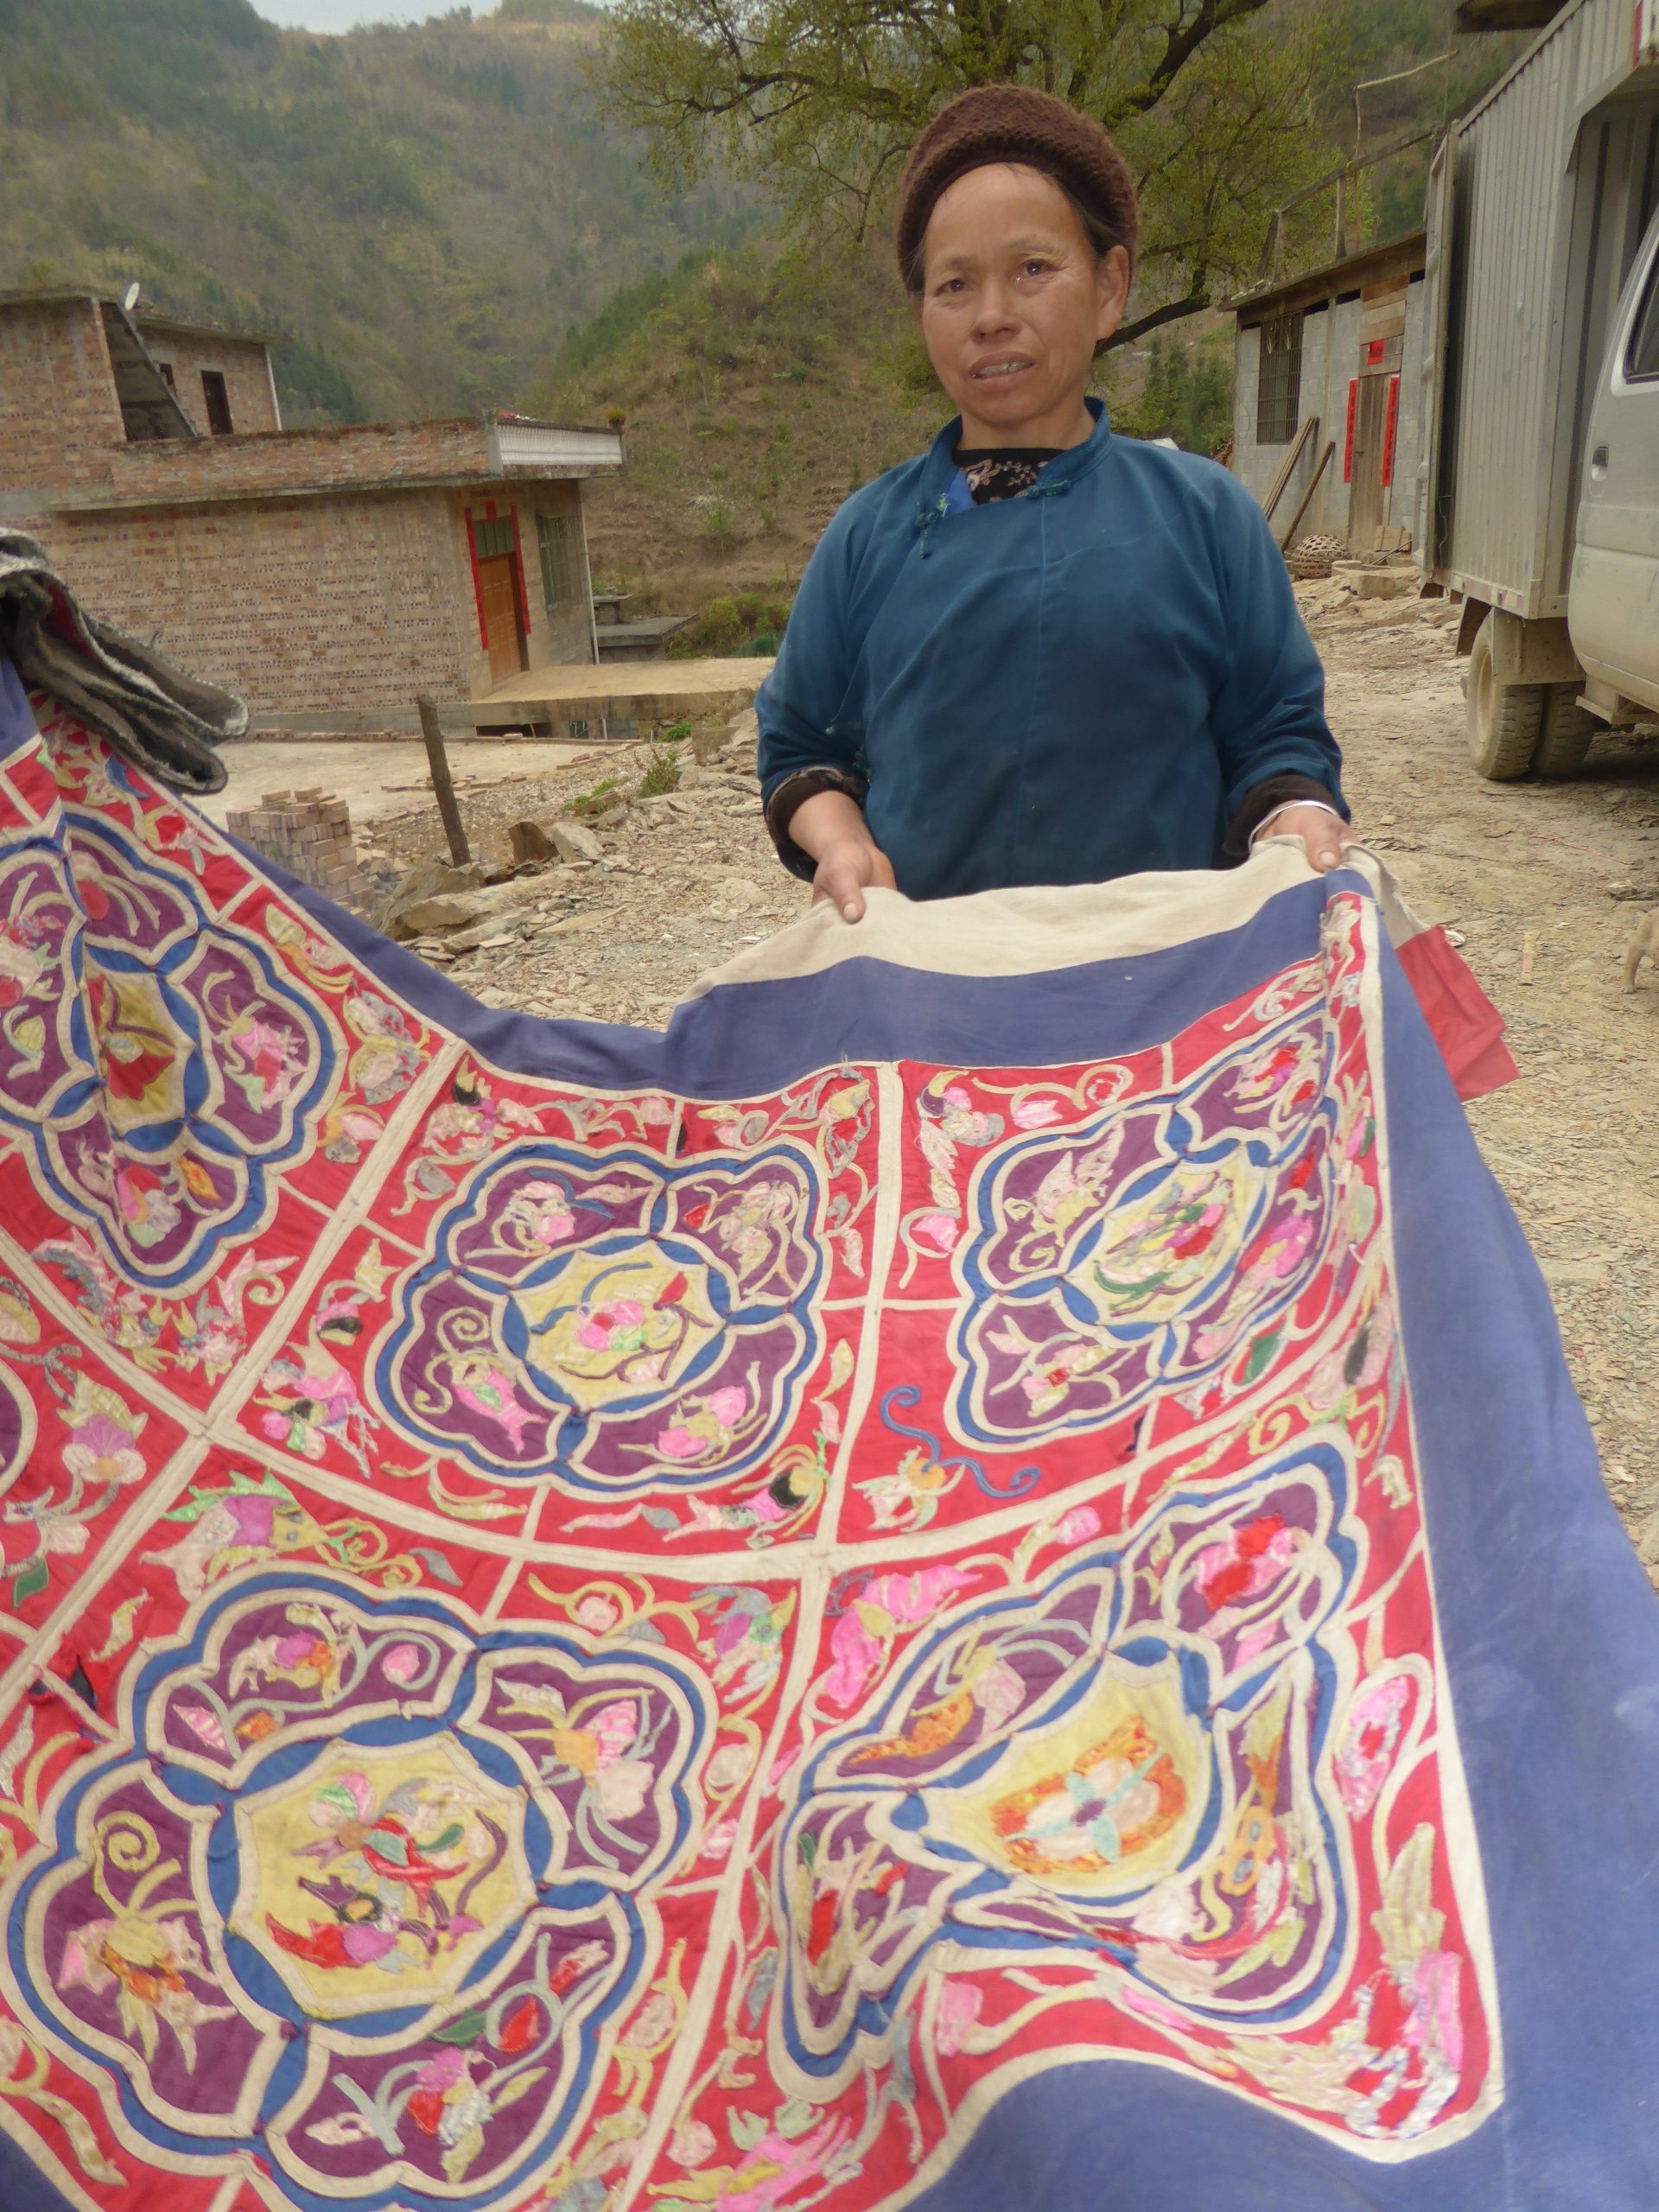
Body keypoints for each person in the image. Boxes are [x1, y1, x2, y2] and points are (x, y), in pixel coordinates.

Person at [756, 84, 1356, 923]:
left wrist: (1296, 815)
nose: (992, 316)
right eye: (954, 285)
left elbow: (1278, 737)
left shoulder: (1206, 517)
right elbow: (799, 748)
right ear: (922, 312)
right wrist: (842, 842)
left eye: (1032, 270)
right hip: (935, 1003)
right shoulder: (868, 537)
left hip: (1160, 1003)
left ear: (1111, 287)